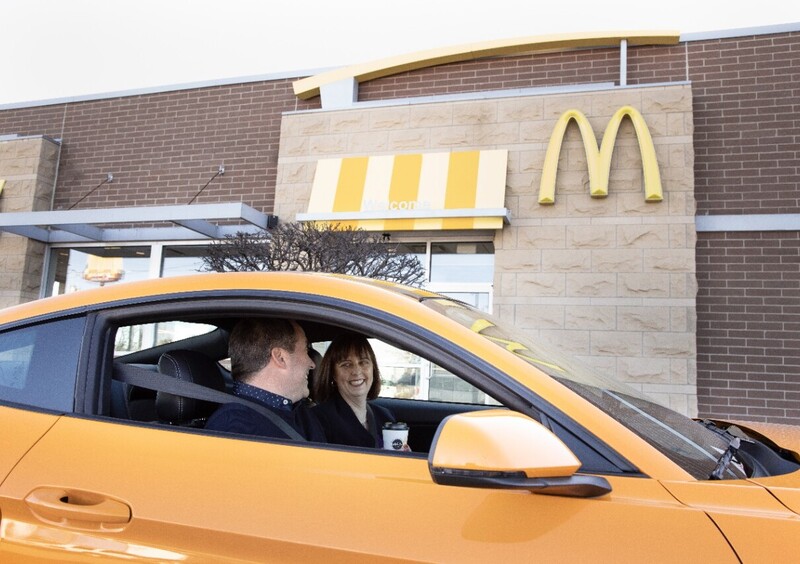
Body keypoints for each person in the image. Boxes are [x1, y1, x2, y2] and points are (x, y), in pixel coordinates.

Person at [205, 318, 326, 442]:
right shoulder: (233, 428)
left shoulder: (300, 411)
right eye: (306, 350)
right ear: (280, 358)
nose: (312, 364)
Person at [312, 333, 398, 448]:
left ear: (373, 368)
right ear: (333, 374)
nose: (356, 371)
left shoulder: (385, 416)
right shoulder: (318, 419)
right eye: (346, 364)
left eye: (363, 362)